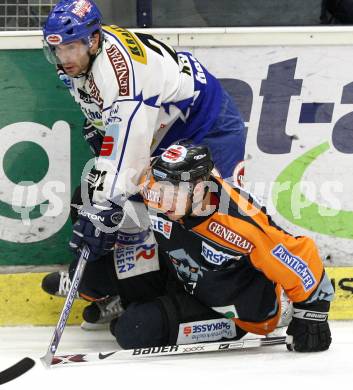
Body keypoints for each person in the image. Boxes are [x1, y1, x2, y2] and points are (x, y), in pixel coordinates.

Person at [41, 0, 245, 323]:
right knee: (106, 204)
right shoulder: (79, 63)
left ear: (93, 40)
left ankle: (241, 302)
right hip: (162, 131)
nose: (63, 59)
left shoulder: (122, 77)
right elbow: (114, 127)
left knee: (207, 223)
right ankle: (123, 289)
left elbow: (130, 158)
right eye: (57, 50)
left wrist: (105, 207)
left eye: (70, 48)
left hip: (207, 127)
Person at [43, 141, 334, 352]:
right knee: (89, 276)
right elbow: (98, 182)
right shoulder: (159, 186)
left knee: (132, 329)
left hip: (232, 311)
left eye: (170, 195)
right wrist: (95, 210)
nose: (160, 202)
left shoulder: (237, 222)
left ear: (199, 188)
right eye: (158, 191)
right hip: (180, 273)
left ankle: (127, 302)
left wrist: (313, 315)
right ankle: (111, 296)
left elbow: (300, 255)